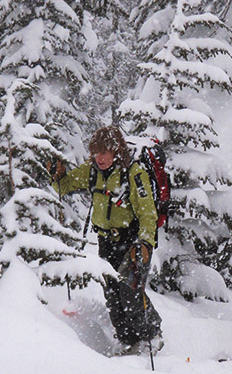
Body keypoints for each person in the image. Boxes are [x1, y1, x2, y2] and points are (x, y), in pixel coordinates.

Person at [50, 126, 163, 355]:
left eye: (105, 152)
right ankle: (128, 342)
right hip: (106, 242)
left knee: (130, 292)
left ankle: (152, 335)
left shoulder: (134, 173)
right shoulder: (92, 171)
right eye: (96, 152)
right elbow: (64, 187)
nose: (100, 158)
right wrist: (57, 175)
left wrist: (144, 243)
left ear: (116, 151)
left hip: (132, 243)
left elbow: (148, 213)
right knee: (112, 295)